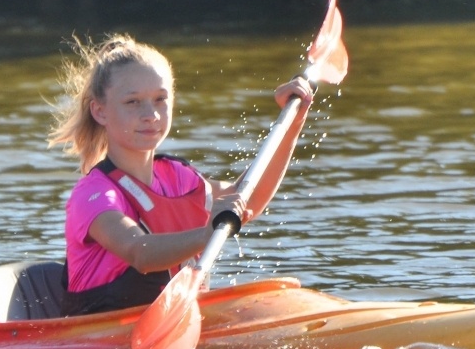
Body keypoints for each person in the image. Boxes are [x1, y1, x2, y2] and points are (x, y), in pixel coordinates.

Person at [47, 35, 313, 316]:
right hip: (98, 335)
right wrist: (206, 234)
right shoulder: (95, 195)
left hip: (176, 322)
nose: (150, 114)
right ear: (100, 112)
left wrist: (293, 122)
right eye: (133, 102)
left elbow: (249, 199)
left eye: (160, 99)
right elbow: (140, 252)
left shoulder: (178, 178)